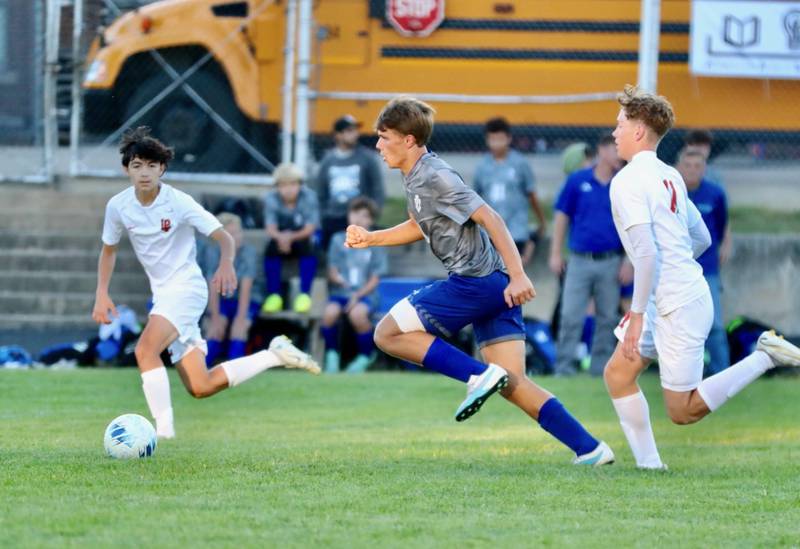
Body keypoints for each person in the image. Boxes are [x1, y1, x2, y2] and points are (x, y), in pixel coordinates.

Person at [345, 96, 614, 466]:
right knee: (512, 383)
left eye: (384, 136)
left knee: (386, 334)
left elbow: (492, 218)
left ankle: (477, 376)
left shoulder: (435, 175)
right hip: (492, 286)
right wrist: (372, 237)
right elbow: (419, 224)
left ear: (408, 140)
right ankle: (590, 448)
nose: (377, 145)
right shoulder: (415, 176)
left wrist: (518, 274)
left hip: (476, 282)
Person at [606, 85, 800, 469]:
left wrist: (639, 312)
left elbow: (645, 253)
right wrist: (672, 272)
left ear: (639, 131)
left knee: (683, 410)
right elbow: (703, 237)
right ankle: (649, 467)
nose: (615, 132)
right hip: (673, 294)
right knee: (618, 374)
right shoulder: (670, 176)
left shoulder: (627, 181)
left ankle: (763, 356)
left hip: (674, 303)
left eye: (620, 124)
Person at [92, 127, 320, 440]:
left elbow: (223, 236)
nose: (144, 173)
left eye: (151, 166)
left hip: (187, 289)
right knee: (201, 386)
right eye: (136, 166)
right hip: (163, 296)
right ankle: (274, 355)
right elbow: (109, 250)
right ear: (126, 170)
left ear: (162, 169)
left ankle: (163, 434)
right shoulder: (117, 206)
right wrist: (101, 293)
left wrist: (226, 264)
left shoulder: (179, 202)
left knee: (145, 350)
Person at [549, 135, 630, 376]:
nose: (620, 157)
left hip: (612, 260)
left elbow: (632, 225)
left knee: (607, 318)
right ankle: (563, 368)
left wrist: (628, 260)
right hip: (580, 260)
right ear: (602, 151)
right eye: (616, 151)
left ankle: (599, 369)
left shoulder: (624, 183)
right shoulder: (577, 180)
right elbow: (562, 216)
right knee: (570, 315)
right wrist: (555, 253)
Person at [677, 148, 732, 374]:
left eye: (697, 166)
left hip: (706, 268)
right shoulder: (671, 193)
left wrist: (724, 247)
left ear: (705, 169)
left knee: (714, 324)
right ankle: (681, 374)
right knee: (678, 326)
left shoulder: (716, 194)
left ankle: (723, 372)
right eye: (687, 166)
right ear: (679, 167)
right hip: (676, 270)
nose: (692, 171)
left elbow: (721, 227)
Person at [321, 197, 388, 374]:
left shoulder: (376, 242)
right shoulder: (337, 239)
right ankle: (332, 355)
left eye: (364, 215)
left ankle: (365, 356)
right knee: (329, 314)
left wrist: (357, 296)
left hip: (365, 295)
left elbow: (375, 279)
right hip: (340, 292)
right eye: (354, 213)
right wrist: (338, 279)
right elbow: (332, 270)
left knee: (357, 314)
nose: (358, 218)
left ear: (371, 220)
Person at [473, 117, 547, 264]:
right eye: (492, 139)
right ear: (487, 140)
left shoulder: (520, 163)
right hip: (491, 232)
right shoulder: (482, 166)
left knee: (514, 276)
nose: (497, 144)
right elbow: (475, 197)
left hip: (515, 231)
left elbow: (531, 193)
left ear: (509, 138)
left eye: (500, 139)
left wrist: (541, 221)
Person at [316, 115, 385, 249]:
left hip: (360, 217)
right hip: (333, 217)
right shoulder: (328, 161)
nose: (355, 134)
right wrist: (324, 214)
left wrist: (372, 214)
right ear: (337, 135)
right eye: (349, 131)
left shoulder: (367, 158)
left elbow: (378, 189)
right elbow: (321, 192)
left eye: (355, 130)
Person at [261, 162, 319, 314]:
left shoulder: (309, 197)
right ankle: (274, 295)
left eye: (293, 184)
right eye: (283, 185)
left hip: (300, 236)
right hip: (280, 238)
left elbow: (310, 227)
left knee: (310, 247)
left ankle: (304, 295)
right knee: (270, 249)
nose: (288, 189)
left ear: (300, 184)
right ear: (277, 186)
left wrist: (290, 238)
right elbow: (270, 228)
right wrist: (281, 238)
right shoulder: (271, 198)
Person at [203, 212, 259, 367]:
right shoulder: (213, 252)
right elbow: (213, 286)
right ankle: (201, 370)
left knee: (239, 329)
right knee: (215, 328)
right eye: (232, 234)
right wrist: (215, 318)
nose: (237, 236)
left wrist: (241, 319)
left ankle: (236, 370)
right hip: (222, 299)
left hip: (246, 300)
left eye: (239, 232)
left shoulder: (249, 252)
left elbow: (246, 289)